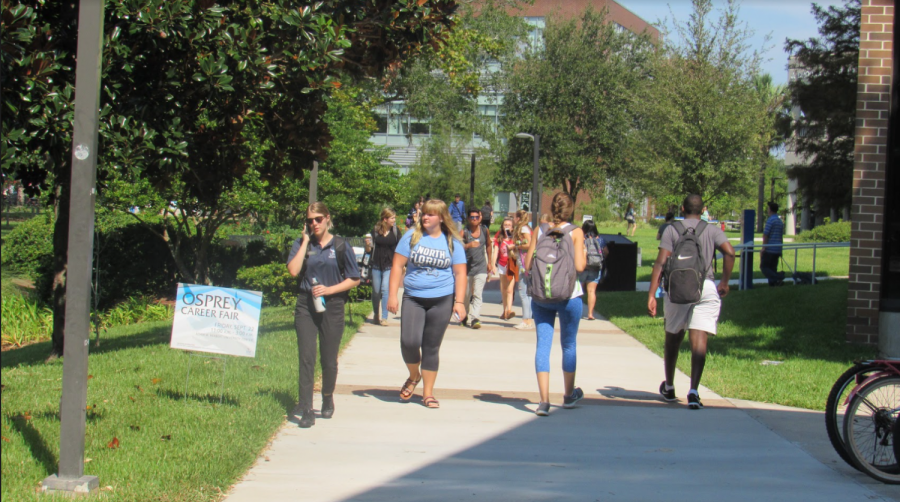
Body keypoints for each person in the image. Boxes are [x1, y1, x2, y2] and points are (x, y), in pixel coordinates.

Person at [647, 194, 735, 410]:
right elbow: (730, 252)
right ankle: (694, 391)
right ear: (702, 209)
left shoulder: (672, 230)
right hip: (704, 286)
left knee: (673, 337)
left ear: (682, 208)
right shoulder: (711, 229)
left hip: (677, 287)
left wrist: (652, 294)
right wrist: (724, 281)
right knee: (699, 339)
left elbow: (660, 263)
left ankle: (669, 386)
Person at [287, 202, 361, 428]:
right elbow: (293, 270)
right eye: (310, 220)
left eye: (318, 219)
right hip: (305, 304)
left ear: (327, 218)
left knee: (329, 360)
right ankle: (307, 409)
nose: (314, 223)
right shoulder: (301, 243)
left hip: (333, 305)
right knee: (306, 357)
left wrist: (329, 290)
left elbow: (354, 279)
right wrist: (306, 241)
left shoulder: (340, 245)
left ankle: (327, 396)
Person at [387, 199, 467, 409]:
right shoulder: (411, 237)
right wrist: (392, 295)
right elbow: (397, 266)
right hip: (413, 297)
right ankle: (414, 376)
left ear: (441, 217)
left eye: (431, 214)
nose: (425, 217)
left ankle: (428, 394)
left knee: (431, 347)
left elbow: (460, 273)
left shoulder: (452, 241)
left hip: (442, 299)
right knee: (409, 342)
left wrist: (459, 302)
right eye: (424, 213)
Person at [524, 193, 587, 416]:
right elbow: (580, 266)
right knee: (568, 344)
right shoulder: (576, 232)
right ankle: (569, 396)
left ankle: (543, 401)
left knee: (543, 346)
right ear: (572, 210)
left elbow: (528, 262)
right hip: (569, 296)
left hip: (541, 296)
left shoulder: (539, 230)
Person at [366, 207, 401, 326]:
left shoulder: (396, 232)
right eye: (392, 218)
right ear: (385, 219)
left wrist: (401, 264)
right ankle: (376, 313)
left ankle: (384, 317)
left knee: (385, 289)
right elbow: (369, 249)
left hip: (389, 265)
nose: (394, 220)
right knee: (376, 291)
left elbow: (400, 249)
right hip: (376, 264)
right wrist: (367, 245)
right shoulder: (375, 231)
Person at [461, 207, 493, 329]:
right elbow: (457, 248)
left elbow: (489, 246)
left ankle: (475, 318)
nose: (475, 219)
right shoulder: (464, 232)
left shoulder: (485, 230)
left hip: (481, 267)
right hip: (467, 269)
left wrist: (490, 262)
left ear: (480, 218)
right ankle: (464, 315)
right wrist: (468, 245)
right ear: (468, 218)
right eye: (472, 217)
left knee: (477, 294)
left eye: (477, 217)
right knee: (466, 294)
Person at [580, 220, 609, 321]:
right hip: (595, 267)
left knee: (579, 290)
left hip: (583, 267)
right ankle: (590, 314)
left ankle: (577, 312)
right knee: (591, 291)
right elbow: (606, 252)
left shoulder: (582, 238)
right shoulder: (600, 239)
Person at [513, 210, 534, 330]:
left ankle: (526, 320)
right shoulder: (527, 228)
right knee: (528, 293)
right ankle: (528, 319)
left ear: (518, 218)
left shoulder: (523, 229)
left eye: (514, 217)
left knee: (523, 292)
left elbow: (529, 244)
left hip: (524, 262)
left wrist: (515, 246)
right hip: (526, 262)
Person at [494, 217, 518, 321]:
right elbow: (496, 251)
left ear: (512, 227)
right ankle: (504, 311)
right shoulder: (499, 237)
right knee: (503, 289)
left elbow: (519, 249)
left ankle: (509, 310)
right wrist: (492, 264)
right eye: (505, 225)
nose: (507, 226)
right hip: (501, 265)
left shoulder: (515, 237)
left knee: (509, 290)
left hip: (512, 265)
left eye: (509, 225)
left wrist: (513, 246)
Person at [760, 201, 786, 286]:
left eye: (768, 208)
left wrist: (764, 247)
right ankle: (773, 284)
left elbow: (766, 234)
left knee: (764, 267)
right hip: (777, 248)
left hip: (770, 249)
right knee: (773, 268)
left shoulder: (770, 220)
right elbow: (780, 236)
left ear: (770, 210)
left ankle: (777, 278)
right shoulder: (779, 221)